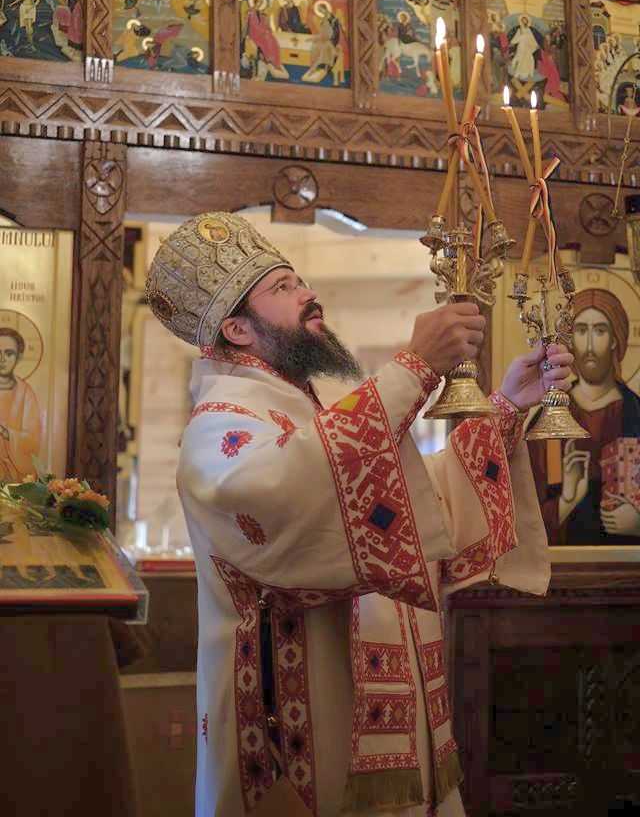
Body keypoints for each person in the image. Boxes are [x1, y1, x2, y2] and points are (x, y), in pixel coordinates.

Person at [146, 211, 571, 817]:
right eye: (283, 287)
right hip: (299, 732)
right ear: (237, 329)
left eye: (299, 280)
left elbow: (409, 511)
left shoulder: (302, 412)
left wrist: (504, 408)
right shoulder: (220, 427)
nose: (307, 293)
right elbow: (291, 494)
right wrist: (414, 368)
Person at [529, 288, 640, 544]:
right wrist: (566, 501)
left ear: (615, 339)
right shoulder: (549, 419)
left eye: (599, 331)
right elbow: (522, 515)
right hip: (562, 567)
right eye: (581, 331)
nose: (589, 346)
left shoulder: (636, 414)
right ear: (570, 340)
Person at [0, 328, 42, 482]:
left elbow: (33, 440)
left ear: (19, 357)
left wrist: (6, 433)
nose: (2, 359)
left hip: (16, 475)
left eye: (9, 353)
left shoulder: (26, 394)